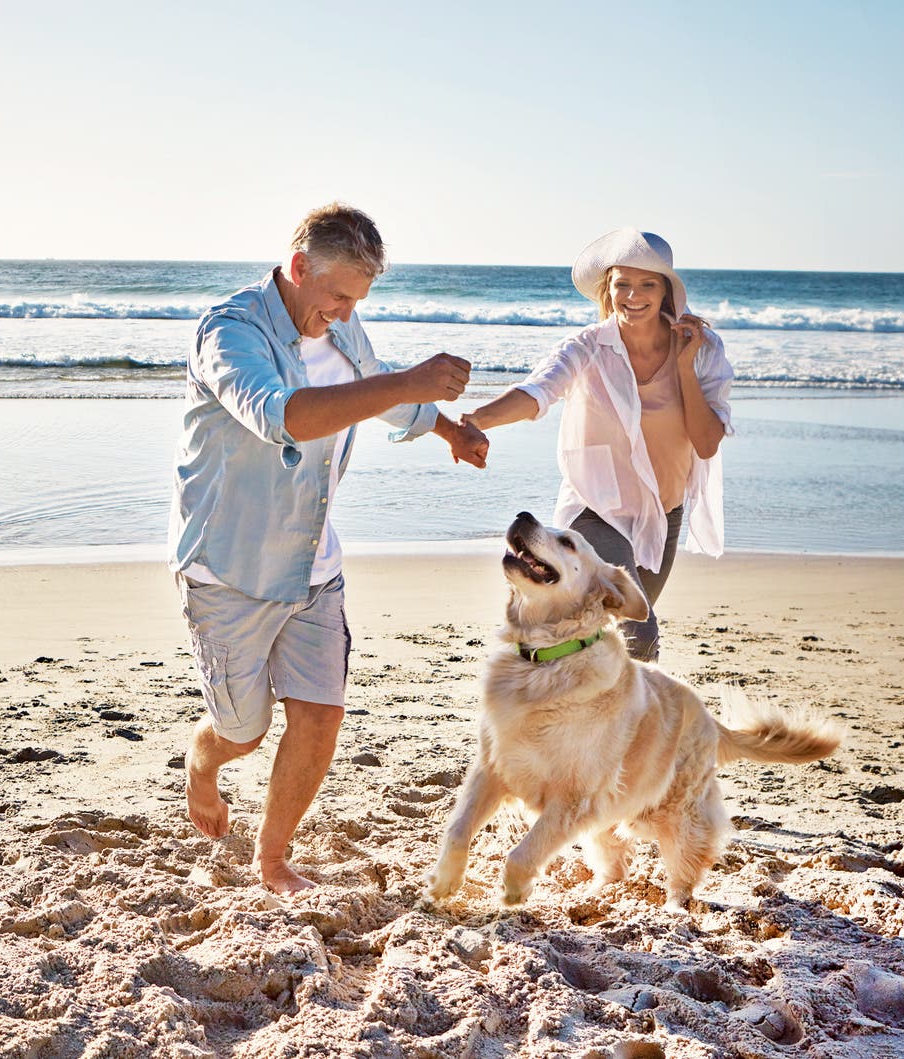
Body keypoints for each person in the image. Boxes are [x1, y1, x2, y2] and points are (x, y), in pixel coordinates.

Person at [169, 202, 489, 894]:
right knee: (243, 732)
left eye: (357, 300)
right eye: (339, 296)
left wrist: (448, 429)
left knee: (320, 717)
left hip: (313, 561)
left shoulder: (340, 326)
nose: (346, 313)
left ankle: (272, 858)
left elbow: (378, 392)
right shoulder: (230, 332)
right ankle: (203, 759)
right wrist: (404, 382)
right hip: (230, 567)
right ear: (298, 267)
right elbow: (281, 416)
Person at [463, 228, 733, 661]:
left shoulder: (703, 351)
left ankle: (571, 694)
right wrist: (476, 421)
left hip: (664, 514)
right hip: (596, 509)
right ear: (608, 289)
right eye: (622, 284)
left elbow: (706, 443)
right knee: (638, 635)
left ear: (665, 291)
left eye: (647, 284)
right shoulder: (587, 347)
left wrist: (684, 367)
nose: (633, 296)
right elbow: (537, 393)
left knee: (610, 639)